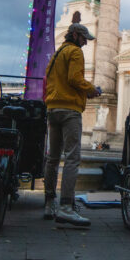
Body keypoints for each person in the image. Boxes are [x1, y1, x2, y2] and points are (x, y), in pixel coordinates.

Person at [43, 23, 101, 226]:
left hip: (53, 108)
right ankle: (66, 207)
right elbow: (74, 78)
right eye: (84, 38)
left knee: (52, 158)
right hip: (69, 111)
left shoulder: (57, 54)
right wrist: (92, 89)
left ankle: (49, 202)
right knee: (72, 158)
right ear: (75, 35)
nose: (85, 42)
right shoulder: (75, 52)